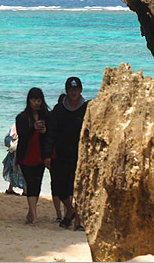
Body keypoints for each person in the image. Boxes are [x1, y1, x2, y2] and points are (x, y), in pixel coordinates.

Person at [50, 76, 89, 230]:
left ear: (80, 90)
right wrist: (47, 154)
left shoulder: (87, 109)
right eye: (71, 89)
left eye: (76, 89)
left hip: (81, 156)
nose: (73, 92)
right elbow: (51, 133)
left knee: (79, 189)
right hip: (61, 155)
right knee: (60, 189)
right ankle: (70, 211)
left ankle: (77, 221)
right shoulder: (59, 109)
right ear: (66, 91)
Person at [15, 87, 53, 225]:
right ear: (28, 100)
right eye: (33, 99)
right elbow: (22, 136)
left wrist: (44, 130)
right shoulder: (22, 118)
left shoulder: (47, 116)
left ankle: (31, 213)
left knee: (37, 184)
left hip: (40, 155)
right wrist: (33, 129)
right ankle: (34, 216)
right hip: (26, 155)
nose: (36, 103)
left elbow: (50, 136)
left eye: (38, 100)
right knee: (30, 183)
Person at [2, 122, 25, 195]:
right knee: (21, 170)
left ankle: (10, 189)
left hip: (13, 150)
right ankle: (25, 190)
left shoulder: (15, 126)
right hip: (19, 151)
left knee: (13, 170)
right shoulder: (23, 125)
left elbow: (7, 140)